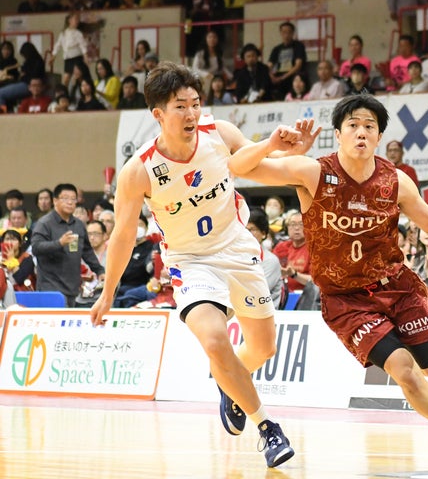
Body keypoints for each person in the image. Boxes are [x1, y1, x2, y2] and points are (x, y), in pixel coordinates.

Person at [238, 94, 428, 470]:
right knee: (404, 371)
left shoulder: (395, 181)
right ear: (338, 133)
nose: (361, 132)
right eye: (353, 125)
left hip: (397, 286)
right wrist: (277, 148)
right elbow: (242, 168)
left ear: (379, 136)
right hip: (347, 300)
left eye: (369, 127)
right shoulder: (312, 171)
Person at [88, 61, 316, 468]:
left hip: (237, 248)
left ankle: (232, 385)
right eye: (180, 106)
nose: (191, 112)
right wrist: (108, 294)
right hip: (190, 260)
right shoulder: (139, 170)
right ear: (159, 114)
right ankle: (268, 428)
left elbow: (255, 164)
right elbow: (122, 236)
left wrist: (288, 153)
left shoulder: (219, 133)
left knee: (264, 347)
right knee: (214, 341)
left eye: (195, 103)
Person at [31, 183, 105, 307]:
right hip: (50, 287)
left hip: (73, 287)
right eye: (65, 198)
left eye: (73, 199)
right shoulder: (45, 223)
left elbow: (87, 251)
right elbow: (36, 248)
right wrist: (59, 243)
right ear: (55, 201)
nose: (70, 202)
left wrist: (99, 270)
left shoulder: (79, 225)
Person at [247, 208, 284, 309]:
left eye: (252, 230)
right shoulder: (235, 257)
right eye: (244, 230)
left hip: (263, 312)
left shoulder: (271, 260)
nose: (247, 234)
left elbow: (258, 292)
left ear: (263, 233)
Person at [0, 42, 45, 112]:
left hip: (28, 85)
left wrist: (23, 76)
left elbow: (31, 77)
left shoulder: (36, 62)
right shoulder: (35, 61)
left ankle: (2, 113)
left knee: (1, 93)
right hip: (25, 83)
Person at [267, 22, 307, 101]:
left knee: (293, 80)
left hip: (292, 75)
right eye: (284, 32)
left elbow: (298, 65)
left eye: (289, 32)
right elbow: (269, 65)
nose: (286, 35)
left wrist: (282, 78)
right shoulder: (276, 49)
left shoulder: (298, 46)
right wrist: (271, 76)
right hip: (278, 76)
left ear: (293, 33)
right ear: (280, 33)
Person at [272, 211, 311, 292]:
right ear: (287, 228)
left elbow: (316, 282)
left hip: (307, 295)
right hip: (282, 293)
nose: (296, 228)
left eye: (301, 224)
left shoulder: (314, 249)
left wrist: (294, 274)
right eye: (293, 224)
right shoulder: (281, 247)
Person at [48, 12, 88, 87]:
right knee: (66, 79)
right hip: (68, 58)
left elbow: (83, 45)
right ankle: (64, 92)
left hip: (77, 58)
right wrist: (53, 56)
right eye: (75, 19)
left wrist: (85, 56)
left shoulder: (78, 33)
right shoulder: (63, 33)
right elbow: (58, 44)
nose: (77, 21)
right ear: (70, 20)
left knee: (78, 77)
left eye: (78, 19)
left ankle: (82, 90)